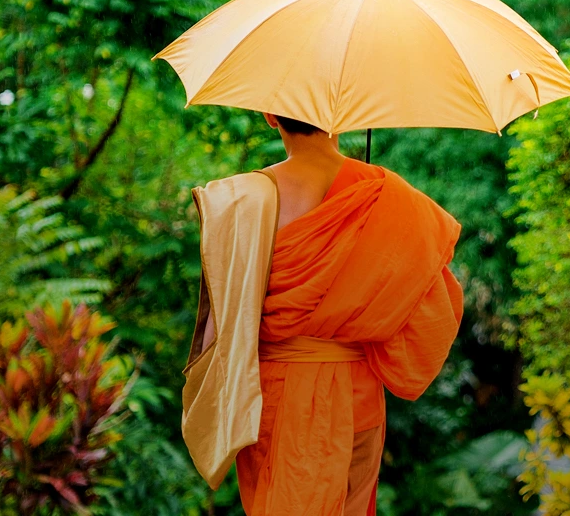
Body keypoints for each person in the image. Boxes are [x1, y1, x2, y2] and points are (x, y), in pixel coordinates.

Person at [198, 113, 463, 515]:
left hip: (275, 399)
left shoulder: (244, 197)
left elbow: (220, 325)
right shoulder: (384, 193)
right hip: (357, 398)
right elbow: (434, 319)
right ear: (340, 116)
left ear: (270, 116)